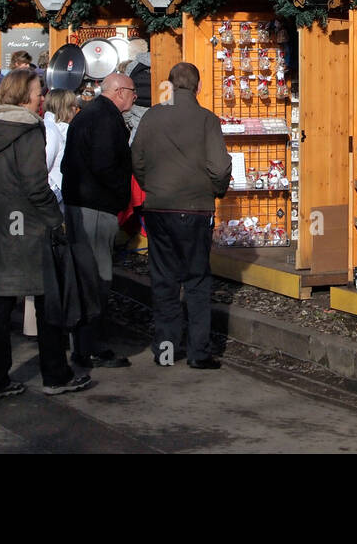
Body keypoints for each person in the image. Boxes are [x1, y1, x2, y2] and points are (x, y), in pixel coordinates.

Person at [0, 68, 93, 399]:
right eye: (39, 92)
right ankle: (55, 375)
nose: (43, 97)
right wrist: (56, 220)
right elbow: (36, 185)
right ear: (25, 96)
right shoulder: (27, 131)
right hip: (27, 229)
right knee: (48, 304)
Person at [131, 62, 231, 369]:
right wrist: (214, 190)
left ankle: (165, 349)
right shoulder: (206, 120)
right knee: (198, 280)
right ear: (198, 87)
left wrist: (153, 187)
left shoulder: (151, 116)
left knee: (164, 279)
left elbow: (137, 158)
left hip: (159, 206)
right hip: (195, 208)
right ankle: (198, 352)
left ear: (169, 85)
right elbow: (220, 166)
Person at [61, 74, 134, 370]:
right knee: (95, 278)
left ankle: (84, 344)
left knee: (85, 277)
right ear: (117, 92)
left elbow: (71, 163)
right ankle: (89, 347)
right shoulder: (104, 118)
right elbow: (105, 165)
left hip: (83, 204)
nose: (135, 96)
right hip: (94, 207)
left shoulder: (89, 113)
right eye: (131, 91)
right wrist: (120, 194)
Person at [43, 88, 79, 204]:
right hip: (51, 195)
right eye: (73, 106)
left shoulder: (59, 129)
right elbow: (43, 167)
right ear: (66, 108)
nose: (76, 110)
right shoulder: (51, 131)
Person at [123, 37, 152, 108]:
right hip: (160, 108)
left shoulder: (131, 66)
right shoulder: (162, 61)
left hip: (136, 110)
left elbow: (125, 90)